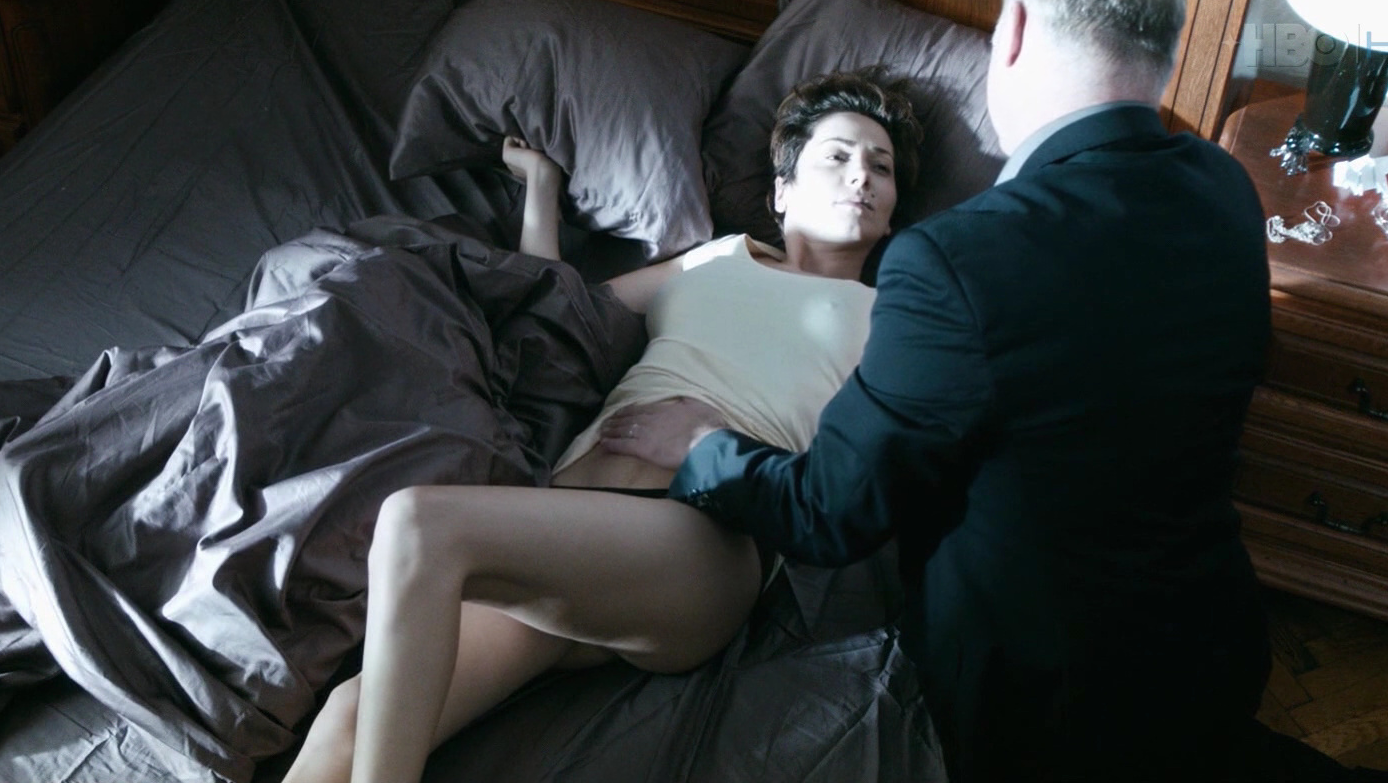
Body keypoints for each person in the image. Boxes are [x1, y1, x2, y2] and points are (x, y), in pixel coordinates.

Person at [612, 0, 1388, 782]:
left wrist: (704, 447)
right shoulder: (1223, 185)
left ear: (1015, 26)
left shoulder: (952, 260)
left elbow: (830, 514)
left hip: (1045, 700)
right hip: (1213, 641)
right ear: (1167, 47)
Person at [277, 69, 925, 783]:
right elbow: (551, 313)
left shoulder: (892, 316)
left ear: (894, 211)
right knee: (347, 720)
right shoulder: (715, 259)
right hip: (570, 532)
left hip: (701, 540)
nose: (861, 176)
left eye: (882, 167)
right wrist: (542, 188)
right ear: (781, 191)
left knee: (418, 525)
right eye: (838, 155)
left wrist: (711, 443)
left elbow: (862, 485)